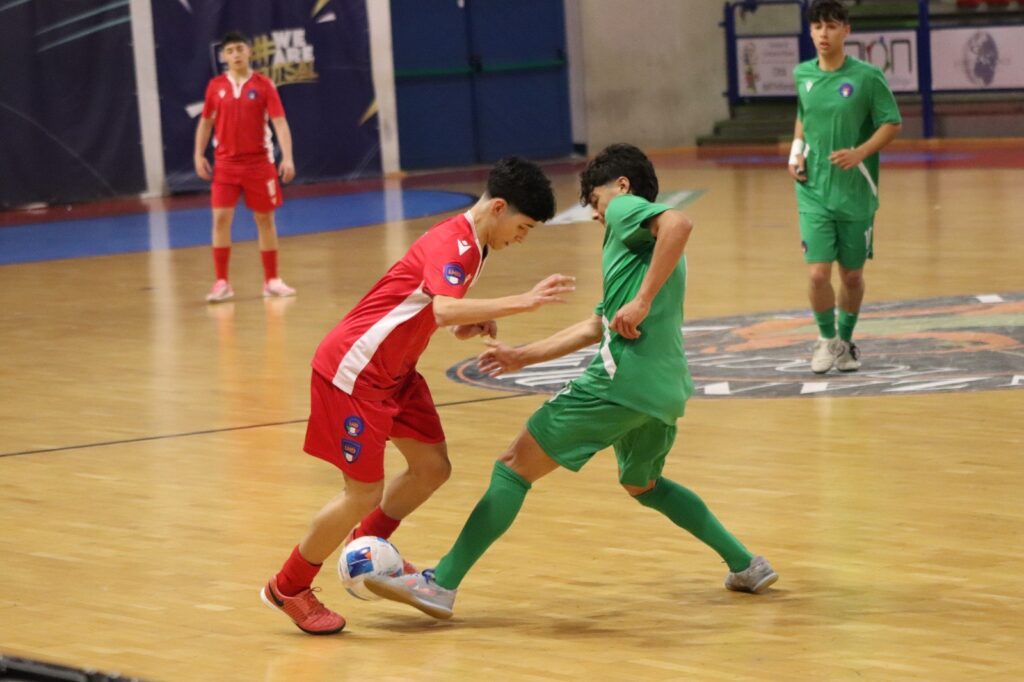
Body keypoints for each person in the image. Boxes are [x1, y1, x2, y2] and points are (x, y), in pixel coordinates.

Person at [364, 144, 777, 621]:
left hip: (620, 383)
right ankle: (746, 564)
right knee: (643, 483)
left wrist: (642, 301)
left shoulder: (625, 210)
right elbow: (594, 326)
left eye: (595, 202)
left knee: (513, 466)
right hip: (665, 388)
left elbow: (680, 223)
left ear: (621, 187)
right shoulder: (642, 250)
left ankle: (442, 584)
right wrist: (523, 356)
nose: (598, 215)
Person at [260, 157, 574, 634]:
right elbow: (443, 307)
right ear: (498, 208)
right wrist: (523, 301)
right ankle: (288, 587)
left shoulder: (475, 245)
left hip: (397, 374)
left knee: (432, 468)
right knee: (362, 492)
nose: (522, 238)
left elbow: (429, 308)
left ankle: (365, 546)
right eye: (523, 227)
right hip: (356, 372)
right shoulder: (456, 244)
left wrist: (469, 323)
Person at [788, 0, 902, 373]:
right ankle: (826, 340)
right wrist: (796, 152)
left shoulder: (867, 77)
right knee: (817, 273)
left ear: (846, 31)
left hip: (856, 191)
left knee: (851, 276)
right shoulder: (803, 74)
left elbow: (891, 122)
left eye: (832, 26)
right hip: (813, 189)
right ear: (810, 32)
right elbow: (804, 115)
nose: (824, 34)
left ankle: (846, 342)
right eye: (818, 27)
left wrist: (860, 152)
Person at [194, 30, 297, 303]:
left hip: (259, 164)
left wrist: (287, 157)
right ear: (224, 57)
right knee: (220, 219)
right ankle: (222, 282)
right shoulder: (216, 86)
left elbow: (279, 122)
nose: (236, 54)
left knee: (265, 220)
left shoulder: (264, 85)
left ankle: (272, 280)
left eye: (240, 49)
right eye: (230, 51)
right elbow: (206, 122)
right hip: (226, 165)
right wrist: (198, 154)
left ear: (249, 51)